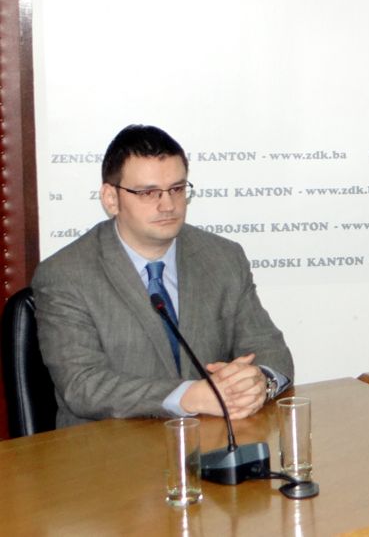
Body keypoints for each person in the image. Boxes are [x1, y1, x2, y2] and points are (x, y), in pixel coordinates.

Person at [32, 125, 293, 428]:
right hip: (110, 446)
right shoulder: (65, 274)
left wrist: (260, 381)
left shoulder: (223, 257)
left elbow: (271, 349)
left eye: (177, 189)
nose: (168, 205)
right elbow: (82, 385)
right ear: (111, 198)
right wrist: (189, 396)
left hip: (212, 440)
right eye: (148, 193)